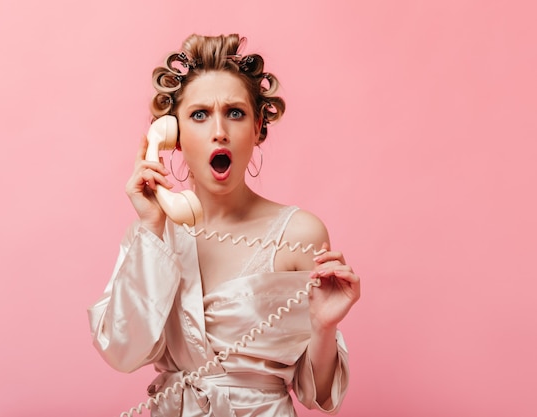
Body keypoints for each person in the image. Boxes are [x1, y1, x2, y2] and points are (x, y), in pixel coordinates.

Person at [88, 33, 361, 416]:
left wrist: (324, 327)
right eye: (199, 115)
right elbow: (122, 351)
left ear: (257, 129)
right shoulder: (152, 233)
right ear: (172, 137)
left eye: (235, 113)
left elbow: (317, 395)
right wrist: (151, 228)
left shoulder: (300, 234)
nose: (219, 131)